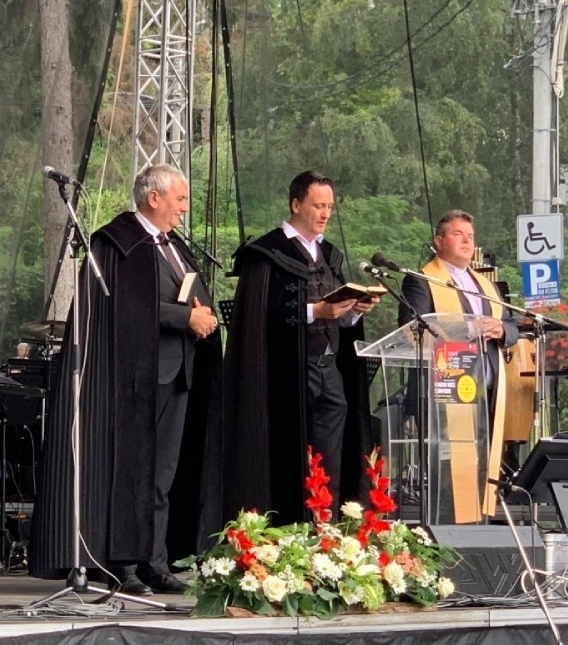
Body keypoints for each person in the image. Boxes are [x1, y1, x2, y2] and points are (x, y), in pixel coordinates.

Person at [30, 164, 223, 595]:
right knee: (132, 470)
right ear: (153, 198)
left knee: (162, 474)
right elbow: (122, 306)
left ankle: (156, 562)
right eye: (180, 199)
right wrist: (184, 318)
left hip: (178, 372)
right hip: (135, 376)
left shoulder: (173, 246)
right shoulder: (117, 242)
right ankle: (124, 563)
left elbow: (183, 294)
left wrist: (203, 315)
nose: (185, 208)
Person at [223, 170, 378, 524]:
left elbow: (339, 319)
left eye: (329, 207)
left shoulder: (329, 255)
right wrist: (314, 311)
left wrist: (353, 310)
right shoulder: (267, 254)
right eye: (318, 206)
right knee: (293, 452)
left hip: (329, 367)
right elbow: (259, 318)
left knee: (330, 456)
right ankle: (290, 528)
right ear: (296, 204)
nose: (325, 214)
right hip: (288, 373)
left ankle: (326, 528)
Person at [397, 210, 520, 512]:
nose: (466, 241)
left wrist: (502, 330)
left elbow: (512, 326)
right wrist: (469, 328)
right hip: (445, 393)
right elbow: (413, 329)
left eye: (470, 236)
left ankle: (482, 524)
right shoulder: (421, 281)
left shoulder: (486, 285)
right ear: (438, 241)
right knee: (450, 475)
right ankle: (452, 527)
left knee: (486, 469)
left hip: (487, 390)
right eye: (457, 234)